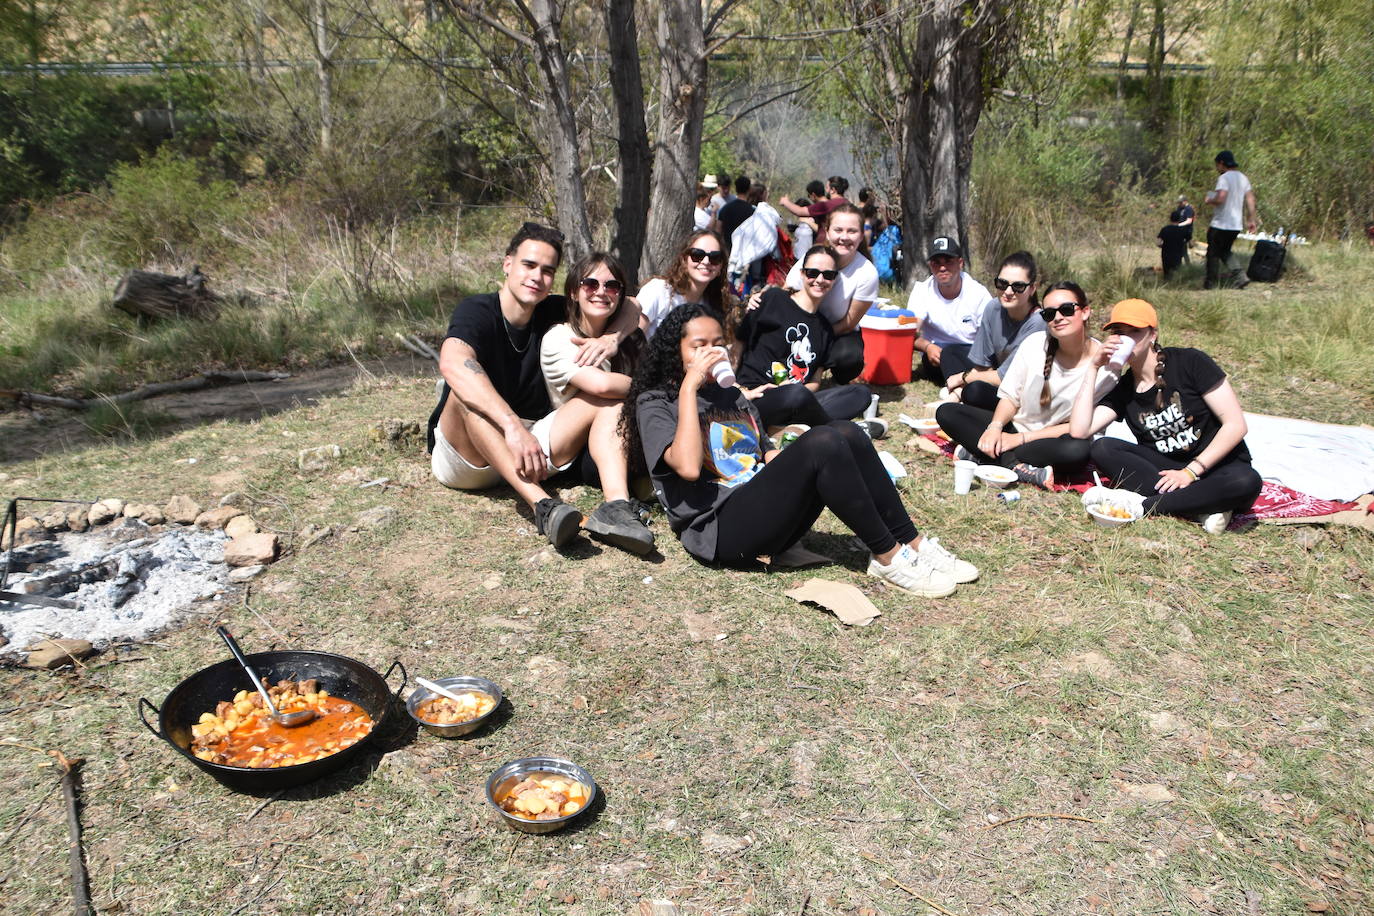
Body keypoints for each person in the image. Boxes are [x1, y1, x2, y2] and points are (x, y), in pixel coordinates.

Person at [622, 303, 978, 598]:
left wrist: (787, 463)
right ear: (676, 352)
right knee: (822, 442)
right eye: (698, 345)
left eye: (718, 343)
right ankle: (887, 556)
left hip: (764, 507)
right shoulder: (656, 402)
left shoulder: (730, 393)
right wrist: (688, 389)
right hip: (720, 529)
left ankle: (911, 543)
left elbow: (762, 452)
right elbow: (685, 467)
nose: (711, 352)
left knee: (845, 432)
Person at [427, 223, 642, 549]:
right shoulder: (478, 311)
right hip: (469, 457)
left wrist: (613, 339)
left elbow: (631, 304)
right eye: (529, 265)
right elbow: (453, 363)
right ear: (508, 264)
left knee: (606, 399)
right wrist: (512, 427)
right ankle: (544, 507)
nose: (537, 277)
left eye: (547, 270)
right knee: (464, 393)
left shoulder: (549, 309)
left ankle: (616, 508)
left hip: (531, 447)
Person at [1069, 298, 1262, 532]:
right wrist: (1093, 366)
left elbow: (1236, 425)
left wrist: (1190, 472)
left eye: (1135, 331)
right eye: (1119, 332)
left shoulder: (1189, 362)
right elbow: (1079, 431)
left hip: (1217, 465)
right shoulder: (1125, 386)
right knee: (1102, 448)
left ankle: (1145, 506)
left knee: (1247, 481)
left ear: (1152, 335)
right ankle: (1200, 505)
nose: (1125, 339)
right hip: (1165, 467)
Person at [936, 282, 1115, 489]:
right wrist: (996, 427)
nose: (1057, 318)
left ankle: (983, 456)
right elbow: (1010, 396)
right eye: (1049, 314)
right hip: (1015, 426)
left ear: (1085, 312)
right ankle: (1016, 466)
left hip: (1049, 440)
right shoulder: (1035, 343)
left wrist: (1019, 439)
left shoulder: (1106, 367)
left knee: (1077, 451)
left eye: (1066, 310)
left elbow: (1079, 428)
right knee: (947, 412)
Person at [538, 251, 654, 554]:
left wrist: (613, 338)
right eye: (590, 284)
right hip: (559, 446)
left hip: (598, 450)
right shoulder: (560, 339)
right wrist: (653, 389)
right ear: (574, 292)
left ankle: (631, 495)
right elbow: (601, 385)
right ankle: (616, 505)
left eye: (612, 286)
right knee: (609, 399)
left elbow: (635, 303)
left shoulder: (616, 337)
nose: (601, 292)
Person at [736, 245, 875, 431]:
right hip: (757, 396)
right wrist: (739, 390)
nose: (820, 280)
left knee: (861, 394)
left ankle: (792, 427)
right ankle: (831, 426)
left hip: (796, 399)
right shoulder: (773, 299)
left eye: (828, 275)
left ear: (834, 280)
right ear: (801, 274)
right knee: (794, 395)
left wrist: (801, 392)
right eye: (812, 273)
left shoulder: (825, 328)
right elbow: (737, 345)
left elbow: (815, 381)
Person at [777, 204, 878, 385]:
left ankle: (835, 380)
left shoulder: (867, 273)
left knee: (850, 357)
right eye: (838, 230)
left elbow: (849, 323)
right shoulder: (812, 258)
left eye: (852, 231)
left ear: (862, 235)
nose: (844, 237)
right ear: (827, 231)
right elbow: (785, 295)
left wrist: (817, 340)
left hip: (837, 332)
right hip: (799, 327)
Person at [943, 251, 1046, 410]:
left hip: (1020, 389)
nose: (1008, 292)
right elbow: (983, 363)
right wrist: (974, 376)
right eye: (1002, 284)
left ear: (1032, 288)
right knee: (950, 352)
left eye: (1018, 286)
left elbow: (1009, 377)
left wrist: (963, 378)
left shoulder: (1038, 322)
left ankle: (959, 395)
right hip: (996, 374)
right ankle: (960, 395)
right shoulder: (993, 307)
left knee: (974, 391)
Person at [907, 236, 994, 388]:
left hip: (972, 354)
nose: (942, 268)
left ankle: (963, 385)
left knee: (951, 353)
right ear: (930, 265)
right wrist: (927, 347)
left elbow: (989, 340)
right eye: (936, 263)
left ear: (960, 263)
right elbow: (907, 334)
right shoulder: (922, 291)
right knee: (946, 353)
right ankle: (964, 385)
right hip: (936, 357)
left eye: (948, 262)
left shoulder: (978, 294)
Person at [637, 231, 734, 339]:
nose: (706, 262)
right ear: (684, 259)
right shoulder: (658, 290)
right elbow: (633, 341)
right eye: (697, 255)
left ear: (721, 266)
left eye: (714, 257)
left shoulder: (715, 306)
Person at [1203, 150, 1258, 289]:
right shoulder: (1243, 178)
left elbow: (1221, 198)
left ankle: (1211, 283)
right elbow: (1251, 199)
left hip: (1221, 223)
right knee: (1225, 251)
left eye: (1217, 165)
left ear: (1222, 163)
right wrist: (1251, 219)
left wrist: (1210, 200)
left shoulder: (1224, 178)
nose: (1217, 169)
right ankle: (1241, 277)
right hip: (1235, 225)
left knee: (1213, 253)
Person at [726, 184, 781, 296]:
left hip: (736, 256)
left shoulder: (728, 208)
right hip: (756, 268)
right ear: (764, 195)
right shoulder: (763, 216)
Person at [779, 176, 850, 245]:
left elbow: (800, 211)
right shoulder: (847, 203)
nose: (826, 191)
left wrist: (785, 202)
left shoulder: (826, 205)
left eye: (827, 187)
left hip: (825, 244)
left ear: (833, 190)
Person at [716, 176, 755, 252]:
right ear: (749, 190)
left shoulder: (725, 209)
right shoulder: (753, 211)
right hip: (747, 252)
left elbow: (718, 231)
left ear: (736, 188)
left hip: (728, 250)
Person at [1169, 193, 1195, 261]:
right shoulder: (1179, 208)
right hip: (1178, 230)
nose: (1179, 204)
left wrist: (1178, 225)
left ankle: (1186, 265)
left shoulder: (1189, 209)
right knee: (1180, 248)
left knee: (1183, 249)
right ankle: (1183, 264)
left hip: (1186, 231)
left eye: (1180, 202)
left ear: (1185, 201)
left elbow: (1189, 221)